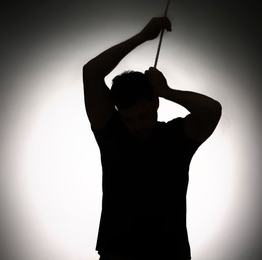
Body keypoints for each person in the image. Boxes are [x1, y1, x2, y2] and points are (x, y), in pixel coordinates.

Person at [83, 17, 222, 260]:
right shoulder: (112, 132)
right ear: (119, 113)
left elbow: (212, 110)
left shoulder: (176, 137)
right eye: (128, 119)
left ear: (155, 104)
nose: (136, 126)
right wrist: (142, 36)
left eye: (143, 116)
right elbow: (91, 73)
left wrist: (167, 91)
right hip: (117, 253)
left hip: (169, 253)